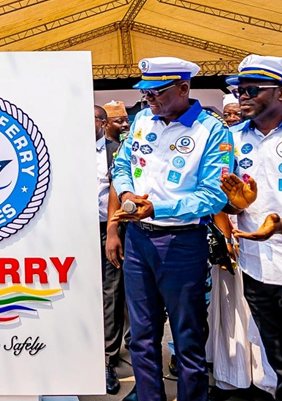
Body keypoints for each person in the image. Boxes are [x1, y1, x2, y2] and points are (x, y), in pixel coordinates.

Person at [112, 56, 233, 401]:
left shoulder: (212, 130)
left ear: (183, 88)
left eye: (157, 92)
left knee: (187, 337)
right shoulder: (141, 120)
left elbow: (214, 195)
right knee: (142, 336)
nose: (148, 99)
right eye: (145, 93)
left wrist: (158, 208)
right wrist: (127, 194)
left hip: (182, 242)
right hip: (138, 239)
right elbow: (122, 166)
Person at [221, 54, 282, 400]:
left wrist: (278, 226)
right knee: (275, 353)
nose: (242, 96)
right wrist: (236, 205)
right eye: (239, 90)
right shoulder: (230, 139)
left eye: (252, 89)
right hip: (256, 265)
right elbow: (227, 202)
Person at [94, 105, 125, 395]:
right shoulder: (65, 151)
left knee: (111, 292)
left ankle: (107, 358)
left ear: (103, 123)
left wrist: (113, 231)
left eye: (90, 118)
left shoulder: (116, 152)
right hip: (74, 229)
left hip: (108, 229)